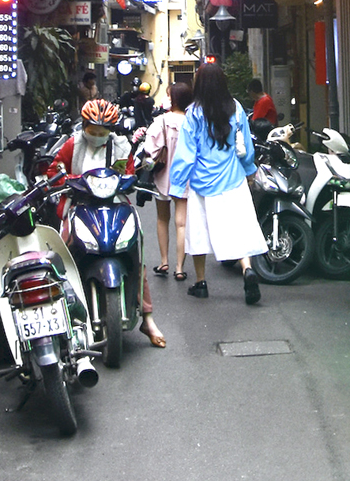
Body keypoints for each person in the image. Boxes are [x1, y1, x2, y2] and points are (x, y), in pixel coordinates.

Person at [45, 100, 166, 348]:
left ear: (111, 131)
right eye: (93, 132)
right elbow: (54, 170)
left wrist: (132, 177)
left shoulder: (121, 146)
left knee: (136, 253)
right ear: (85, 127)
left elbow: (129, 171)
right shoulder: (72, 145)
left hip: (115, 205)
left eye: (103, 133)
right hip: (78, 205)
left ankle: (148, 317)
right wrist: (62, 178)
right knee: (62, 256)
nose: (98, 137)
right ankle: (62, 316)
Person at [167, 62, 267, 305]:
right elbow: (246, 146)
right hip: (233, 178)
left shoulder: (193, 113)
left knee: (198, 232)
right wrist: (248, 171)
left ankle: (201, 283)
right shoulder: (237, 108)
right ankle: (246, 269)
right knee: (238, 228)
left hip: (202, 183)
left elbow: (186, 153)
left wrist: (178, 186)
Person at [146, 82, 193, 281]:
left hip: (163, 176)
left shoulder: (161, 121)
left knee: (162, 219)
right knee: (181, 224)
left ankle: (164, 261)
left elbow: (150, 149)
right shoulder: (192, 122)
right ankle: (180, 267)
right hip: (185, 177)